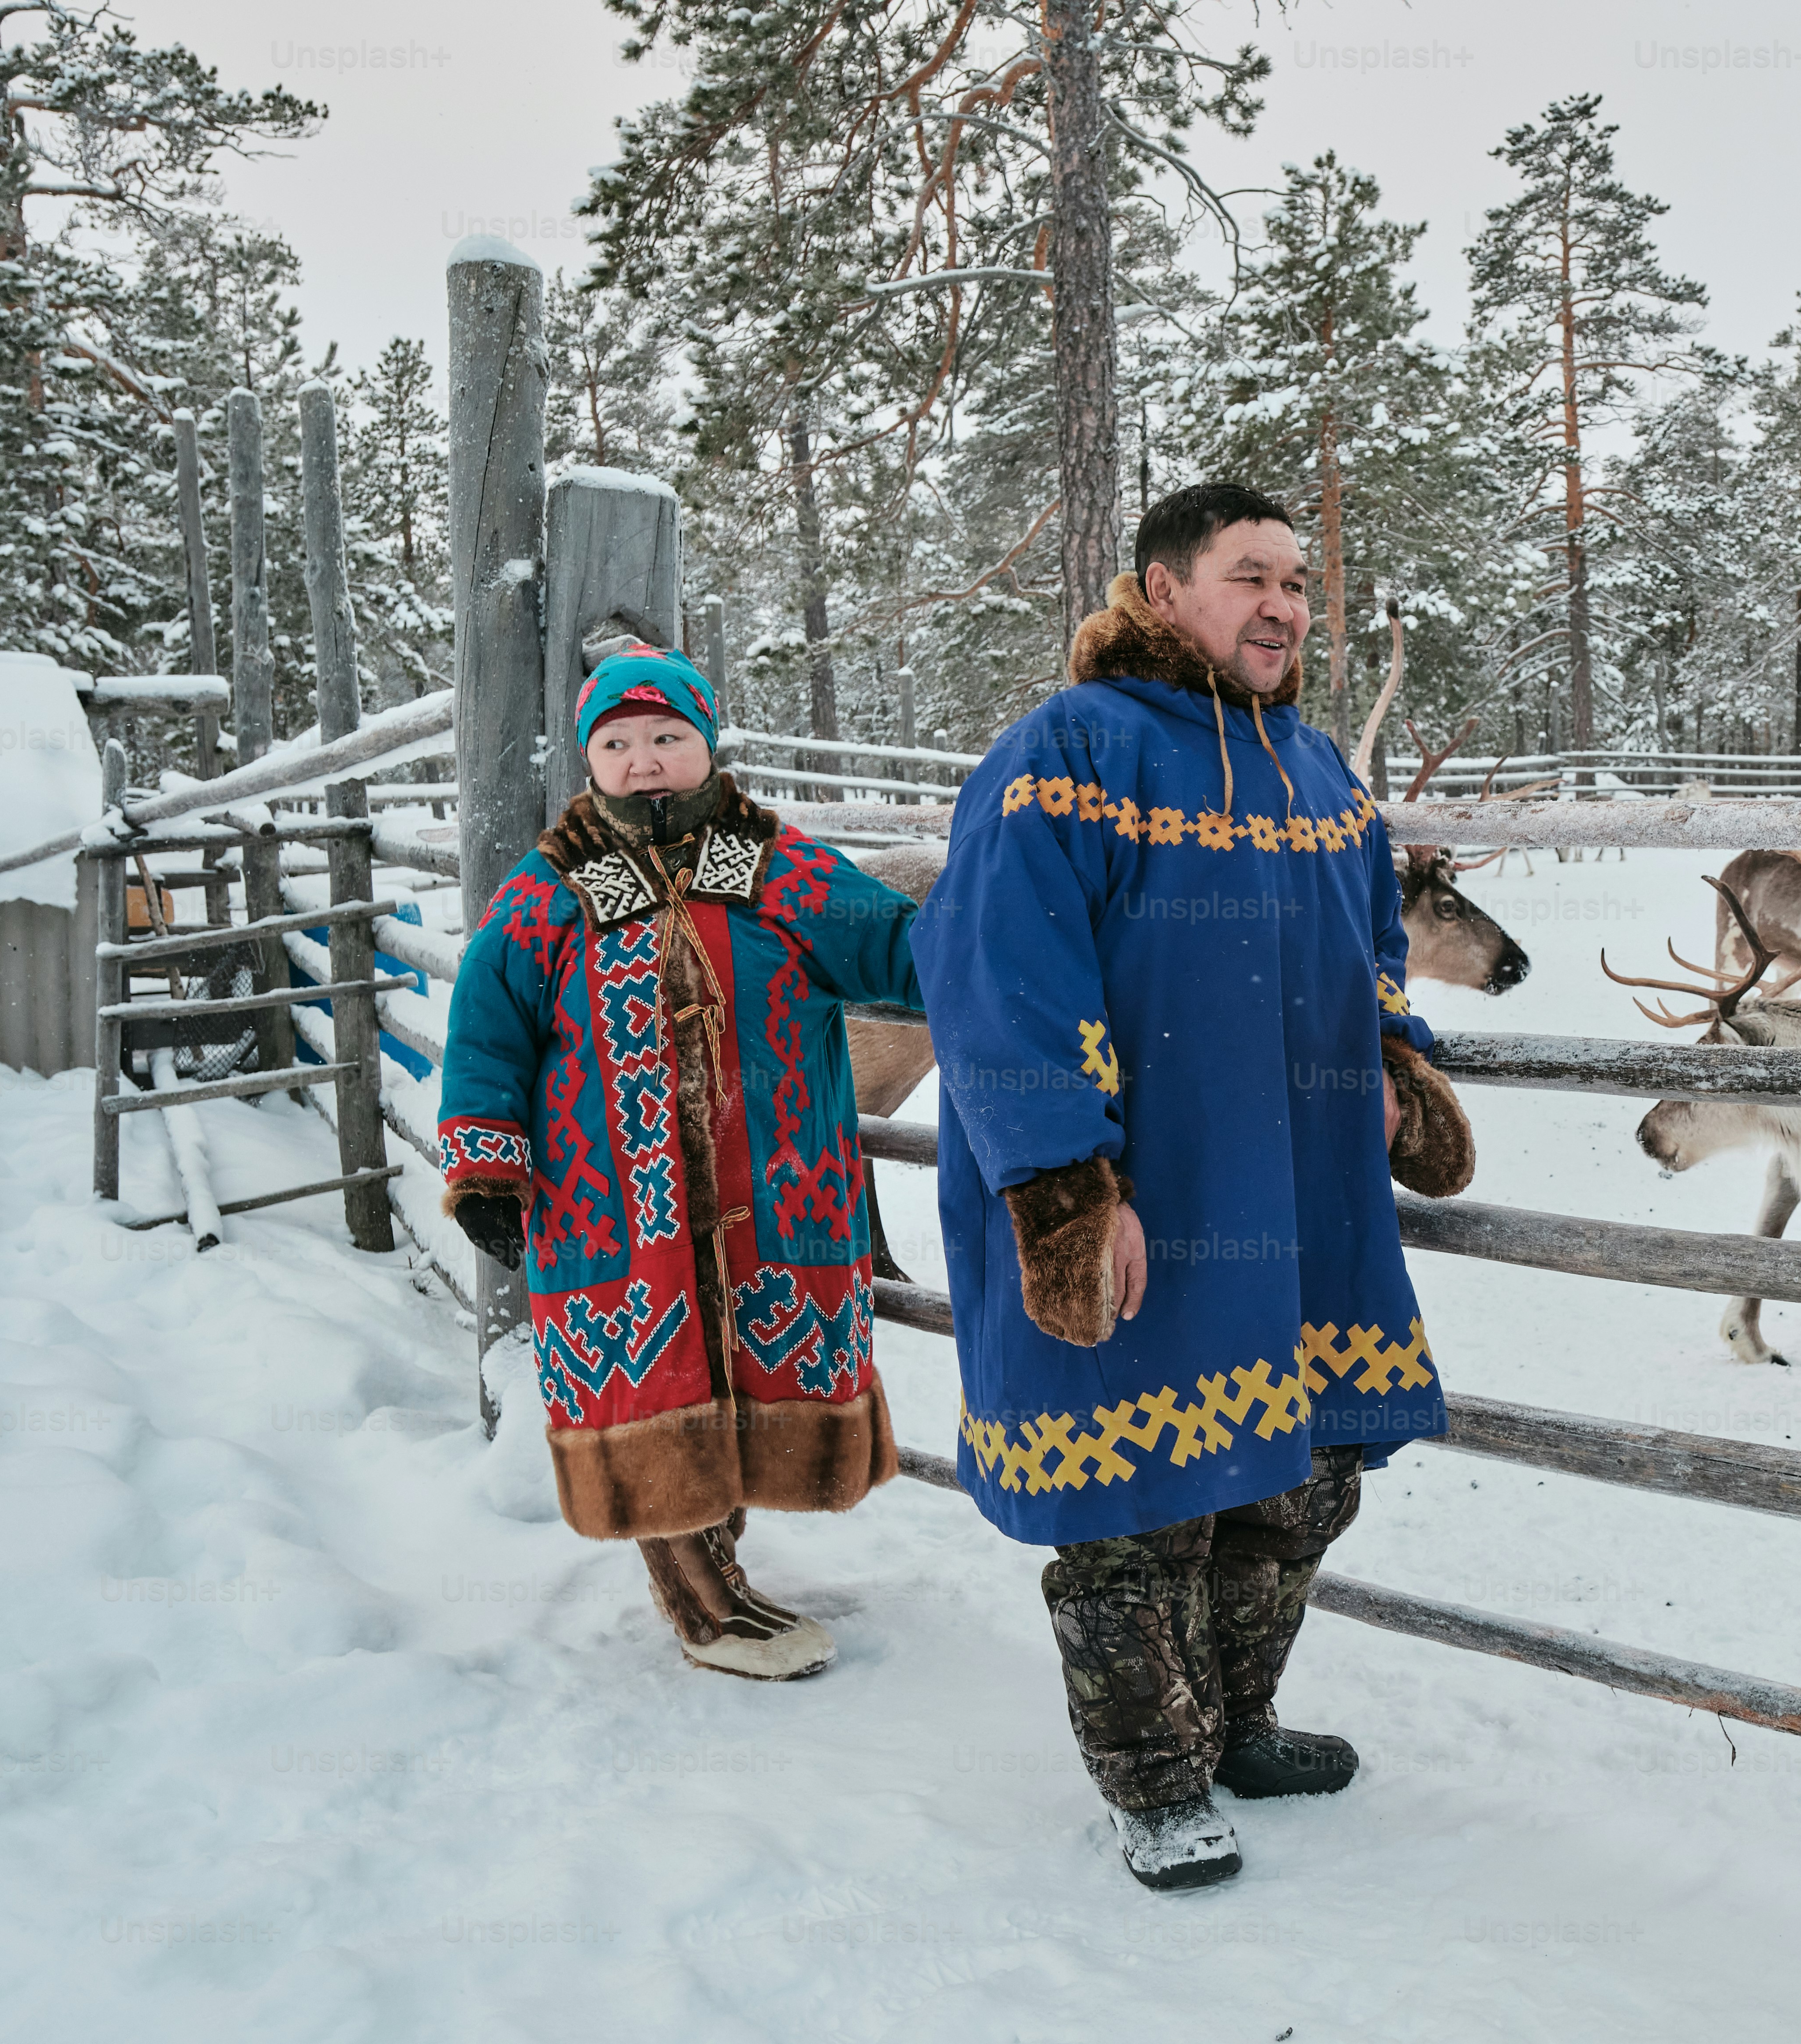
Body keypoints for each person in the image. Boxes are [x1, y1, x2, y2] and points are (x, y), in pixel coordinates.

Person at [918, 483, 1476, 1891]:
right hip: (1148, 1195)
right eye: (1249, 577)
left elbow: (1372, 945)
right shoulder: (1067, 753)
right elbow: (998, 977)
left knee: (1297, 1484)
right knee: (1137, 1506)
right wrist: (1065, 1190)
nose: (1284, 606)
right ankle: (1157, 1784)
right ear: (1163, 591)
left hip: (1299, 1193)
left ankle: (1237, 1727)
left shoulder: (1317, 771)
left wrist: (1396, 1060)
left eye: (1296, 581)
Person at [437, 644, 926, 1679]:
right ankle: (705, 1605)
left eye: (667, 736)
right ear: (590, 759)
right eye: (617, 742)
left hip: (774, 1189)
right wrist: (485, 1165)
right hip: (614, 1205)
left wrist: (1006, 937)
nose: (644, 758)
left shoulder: (780, 869)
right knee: (650, 1384)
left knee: (741, 1372)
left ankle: (722, 1568)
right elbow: (487, 1032)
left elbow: (903, 952)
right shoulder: (547, 893)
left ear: (706, 744)